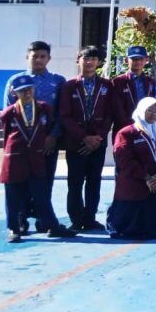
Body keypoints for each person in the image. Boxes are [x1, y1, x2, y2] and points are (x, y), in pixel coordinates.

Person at [0, 75, 76, 242]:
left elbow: (47, 128)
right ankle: (14, 229)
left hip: (36, 158)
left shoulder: (44, 108)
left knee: (42, 195)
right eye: (22, 91)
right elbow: (6, 137)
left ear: (34, 89)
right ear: (15, 93)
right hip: (16, 159)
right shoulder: (8, 113)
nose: (27, 93)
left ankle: (52, 226)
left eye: (29, 89)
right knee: (13, 196)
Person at [3, 40, 66, 234]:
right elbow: (8, 113)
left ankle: (44, 221)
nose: (38, 60)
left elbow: (62, 112)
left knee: (43, 183)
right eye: (34, 56)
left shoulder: (58, 81)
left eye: (42, 56)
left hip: (47, 141)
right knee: (19, 182)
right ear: (27, 56)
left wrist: (53, 136)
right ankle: (20, 221)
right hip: (22, 143)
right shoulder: (15, 80)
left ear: (49, 58)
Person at [59, 45, 115, 232]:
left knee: (94, 181)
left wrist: (98, 138)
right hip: (76, 143)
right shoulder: (69, 86)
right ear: (78, 61)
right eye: (85, 58)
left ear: (99, 63)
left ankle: (90, 218)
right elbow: (65, 116)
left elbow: (110, 115)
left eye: (93, 59)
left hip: (98, 143)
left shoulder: (107, 85)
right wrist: (84, 137)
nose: (89, 62)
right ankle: (76, 220)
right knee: (75, 183)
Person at [107, 97, 156, 240]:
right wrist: (147, 178)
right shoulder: (126, 133)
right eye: (149, 110)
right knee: (132, 230)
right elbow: (125, 160)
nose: (153, 114)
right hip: (136, 186)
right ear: (141, 110)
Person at [110, 45, 156, 135]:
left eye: (141, 59)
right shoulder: (118, 81)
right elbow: (117, 109)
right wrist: (133, 126)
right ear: (126, 60)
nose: (138, 62)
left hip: (147, 128)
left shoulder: (151, 82)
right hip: (124, 129)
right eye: (134, 59)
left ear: (146, 60)